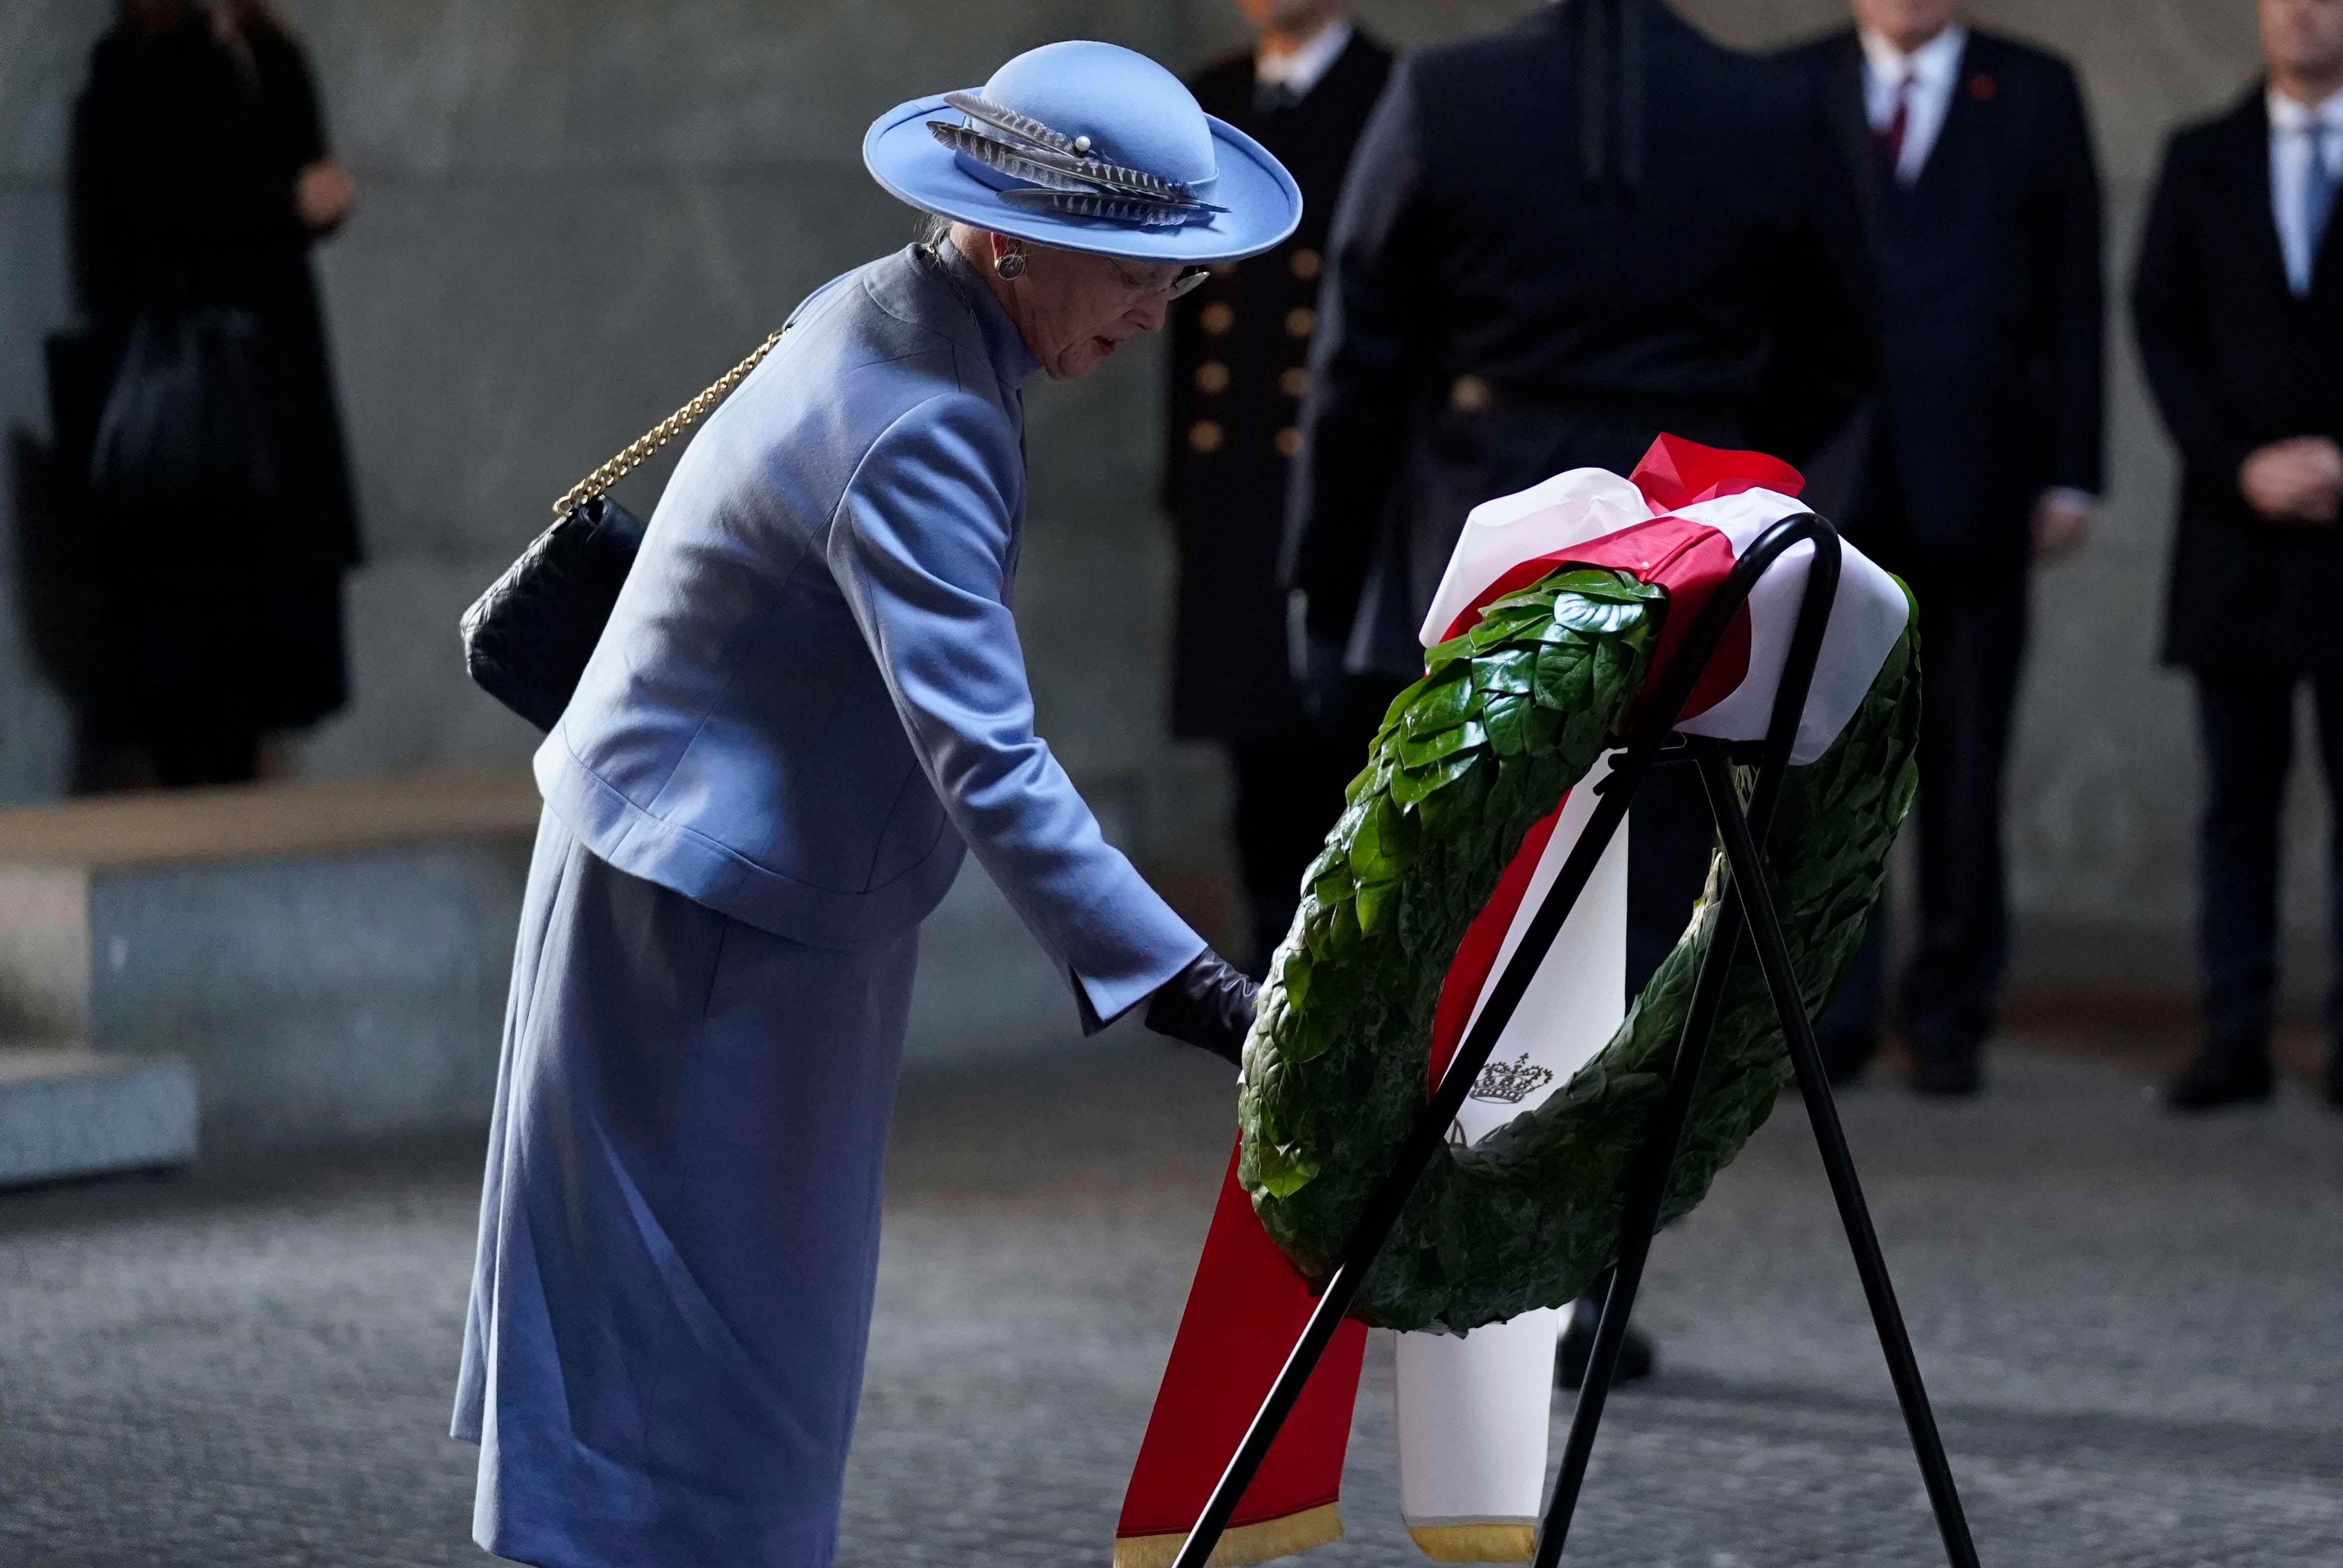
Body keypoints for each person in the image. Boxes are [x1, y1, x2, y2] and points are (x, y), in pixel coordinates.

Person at [451, 42, 1301, 1567]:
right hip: (703, 921)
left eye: (1172, 284)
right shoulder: (920, 413)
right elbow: (993, 762)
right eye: (1129, 274)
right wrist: (1207, 993)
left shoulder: (905, 308)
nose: (1151, 317)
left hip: (728, 888)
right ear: (1009, 237)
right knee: (704, 1371)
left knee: (725, 1349)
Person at [1285, 0, 1875, 1386]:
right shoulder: (1775, 108)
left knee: (1464, 907)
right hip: (1694, 555)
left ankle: (1423, 1247)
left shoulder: (1441, 96)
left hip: (1486, 537)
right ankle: (1591, 1280)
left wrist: (1320, 580)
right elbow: (1847, 348)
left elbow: (1357, 355)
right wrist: (1736, 470)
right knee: (1653, 937)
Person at [2132, 0, 2343, 1120]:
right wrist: (2239, 465)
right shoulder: (2199, 156)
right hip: (2234, 532)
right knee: (2239, 800)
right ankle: (2235, 1035)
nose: (2306, 10)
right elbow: (2161, 326)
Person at [1786, 0, 2104, 1096]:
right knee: (1824, 760)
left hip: (1981, 476)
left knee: (1964, 762)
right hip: (1828, 480)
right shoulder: (1793, 82)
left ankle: (1953, 1008)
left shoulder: (2032, 89)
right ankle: (1830, 1009)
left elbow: (2074, 289)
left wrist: (2073, 469)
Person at [67, 0, 361, 787]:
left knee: (275, 585)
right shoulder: (138, 61)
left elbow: (301, 161)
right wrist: (281, 203)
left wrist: (315, 201)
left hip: (274, 360)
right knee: (196, 588)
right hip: (191, 368)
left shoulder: (268, 49)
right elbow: (145, 205)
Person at [1165, 0, 1392, 970]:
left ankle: (1348, 977)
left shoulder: (1389, 94)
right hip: (1234, 479)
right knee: (1251, 743)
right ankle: (1269, 968)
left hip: (1344, 481)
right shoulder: (1208, 102)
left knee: (1340, 743)